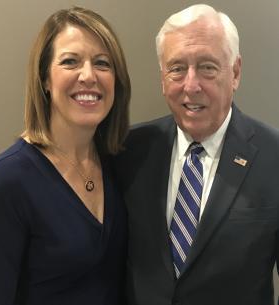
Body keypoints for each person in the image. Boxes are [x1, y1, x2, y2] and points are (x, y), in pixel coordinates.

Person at [115, 4, 279, 305]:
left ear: (236, 73)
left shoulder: (274, 157)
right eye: (177, 68)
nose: (191, 86)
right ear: (162, 77)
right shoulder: (129, 151)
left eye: (207, 67)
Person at [0, 6, 130, 305]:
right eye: (70, 62)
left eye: (102, 63)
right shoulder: (5, 181)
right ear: (45, 80)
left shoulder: (120, 164)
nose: (89, 76)